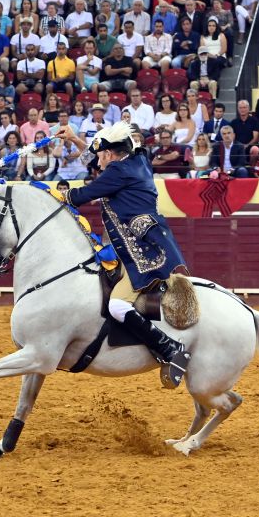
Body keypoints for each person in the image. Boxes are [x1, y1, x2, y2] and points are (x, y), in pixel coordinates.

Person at [56, 121, 190, 388]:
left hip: (144, 252)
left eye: (101, 155)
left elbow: (80, 195)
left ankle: (170, 349)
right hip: (148, 243)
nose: (99, 160)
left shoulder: (118, 172)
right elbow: (101, 167)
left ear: (109, 154)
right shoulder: (136, 160)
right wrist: (74, 139)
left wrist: (48, 194)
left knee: (118, 305)